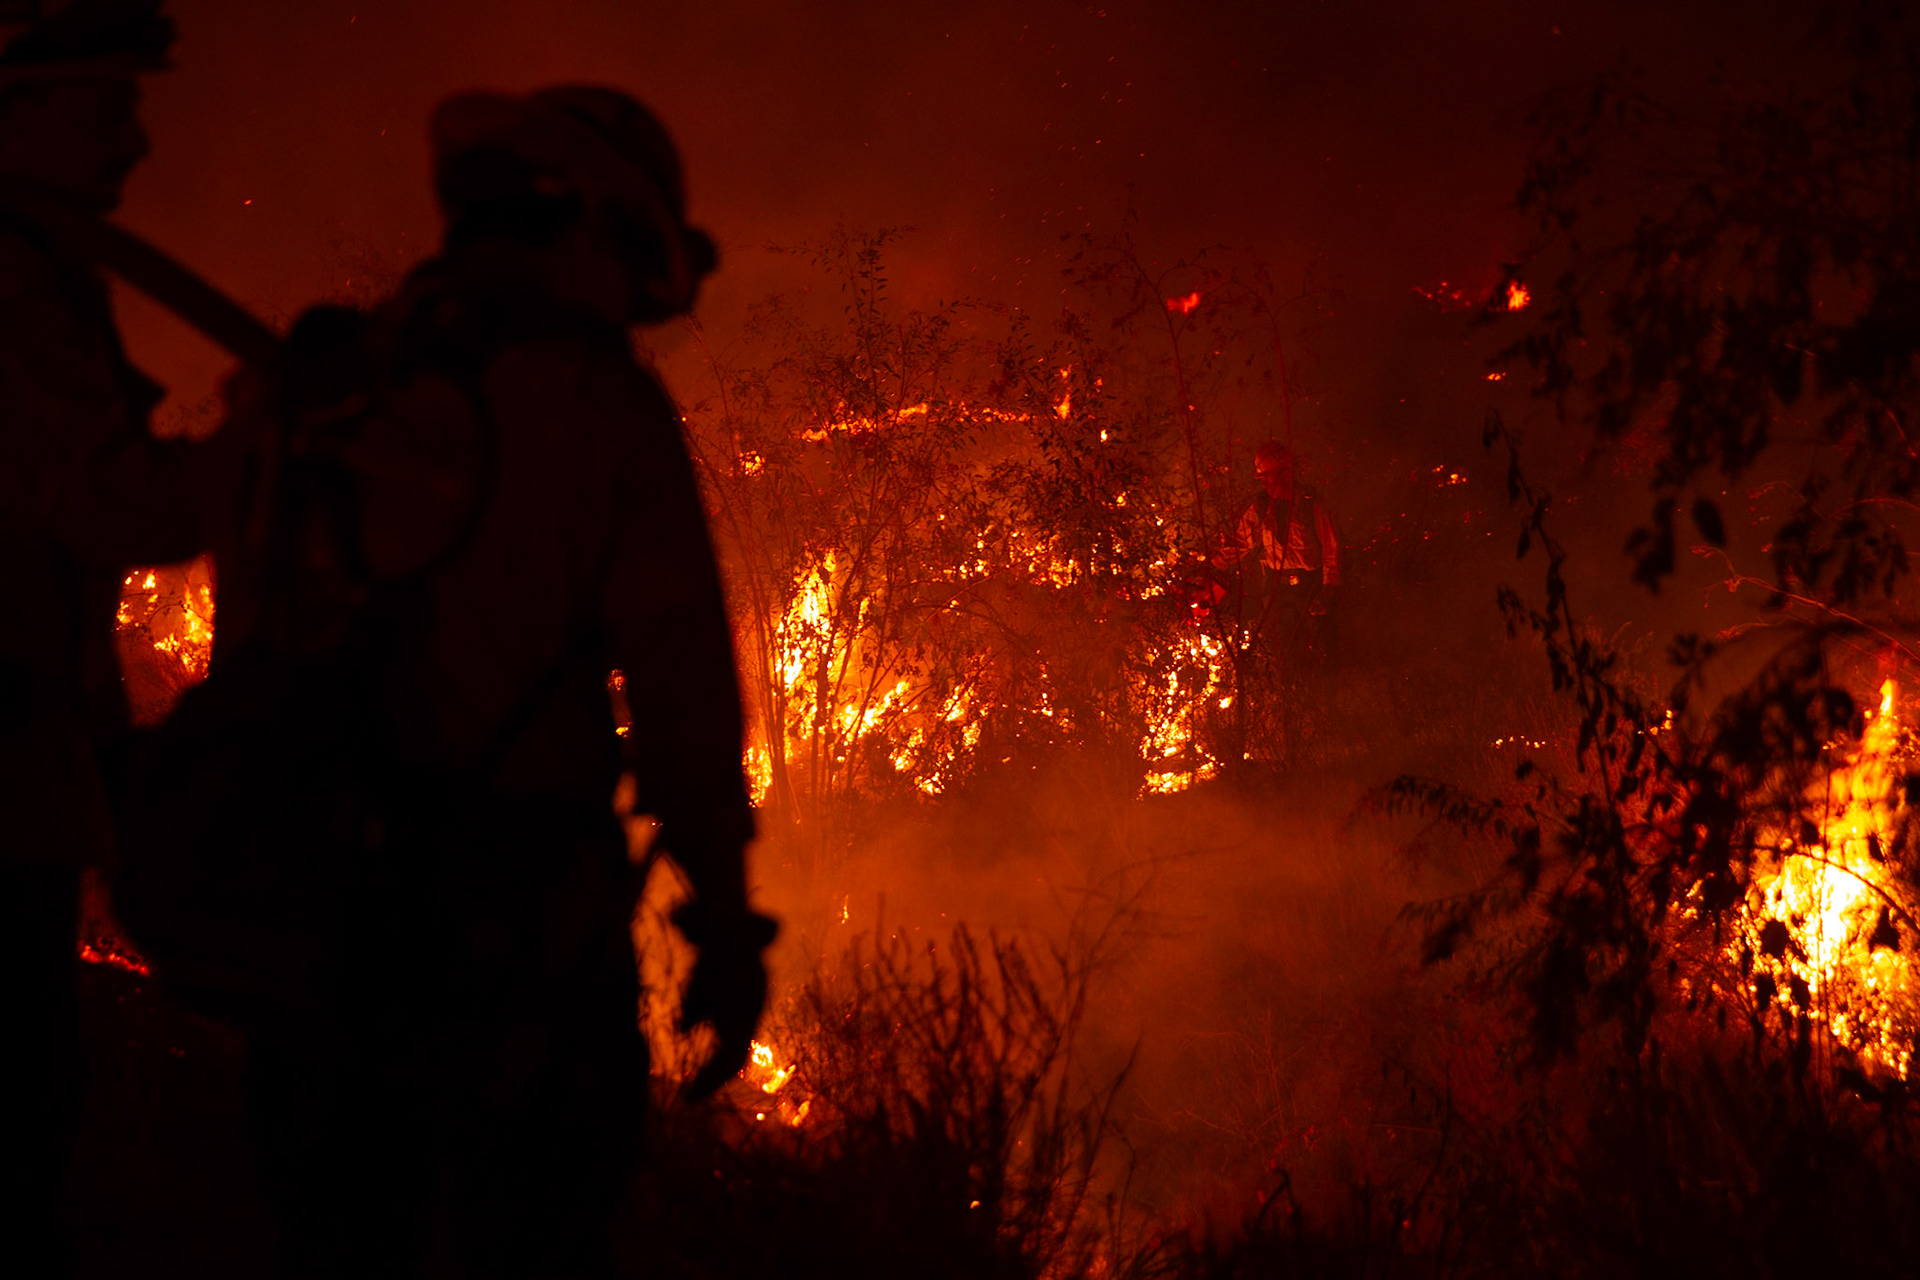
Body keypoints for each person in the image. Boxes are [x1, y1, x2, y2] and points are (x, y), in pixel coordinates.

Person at [221, 86, 770, 1278]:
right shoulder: (596, 403)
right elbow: (683, 698)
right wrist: (723, 923)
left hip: (311, 932)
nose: (632, 309)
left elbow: (249, 647)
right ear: (596, 229)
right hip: (517, 939)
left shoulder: (321, 384)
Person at [0, 3, 240, 1269]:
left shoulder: (44, 267)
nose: (137, 144)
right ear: (15, 112)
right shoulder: (14, 287)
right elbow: (110, 501)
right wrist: (268, 449)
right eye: (108, 107)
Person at [1220, 440, 1340, 656]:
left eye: (1269, 476)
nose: (1264, 483)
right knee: (1285, 653)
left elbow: (1332, 547)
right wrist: (1212, 565)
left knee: (1321, 650)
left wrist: (1329, 589)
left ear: (1286, 473)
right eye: (1262, 477)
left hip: (1310, 588)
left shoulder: (1310, 504)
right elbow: (1241, 543)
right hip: (1278, 590)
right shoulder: (1261, 507)